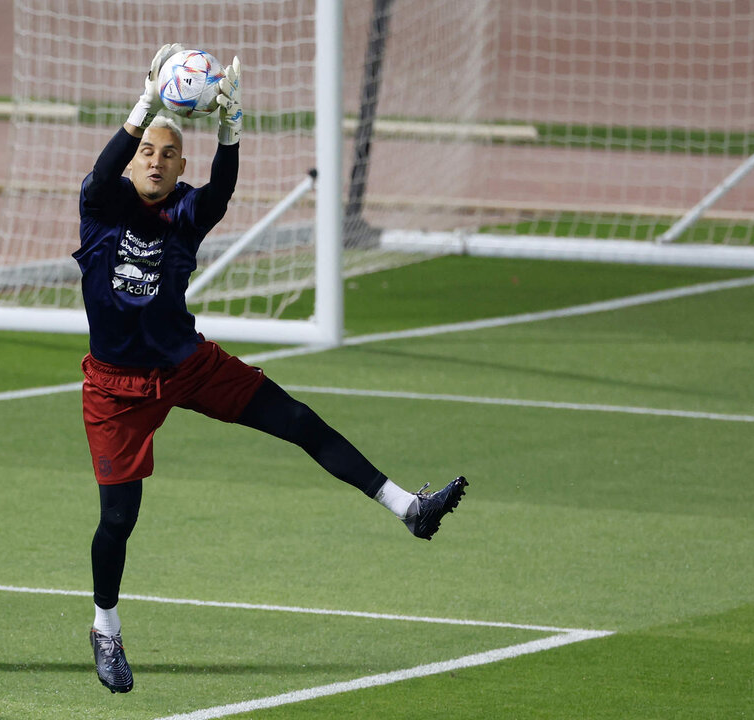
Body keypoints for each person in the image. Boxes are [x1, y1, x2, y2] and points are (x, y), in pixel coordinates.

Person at [74, 44, 468, 694]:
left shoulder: (186, 215)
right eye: (147, 149)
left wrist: (229, 131)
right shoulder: (102, 208)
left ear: (180, 168)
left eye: (170, 153)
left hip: (186, 364)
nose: (155, 159)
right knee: (118, 519)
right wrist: (144, 106)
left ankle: (408, 508)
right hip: (115, 389)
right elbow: (101, 170)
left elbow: (222, 189)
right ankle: (106, 626)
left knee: (295, 419)